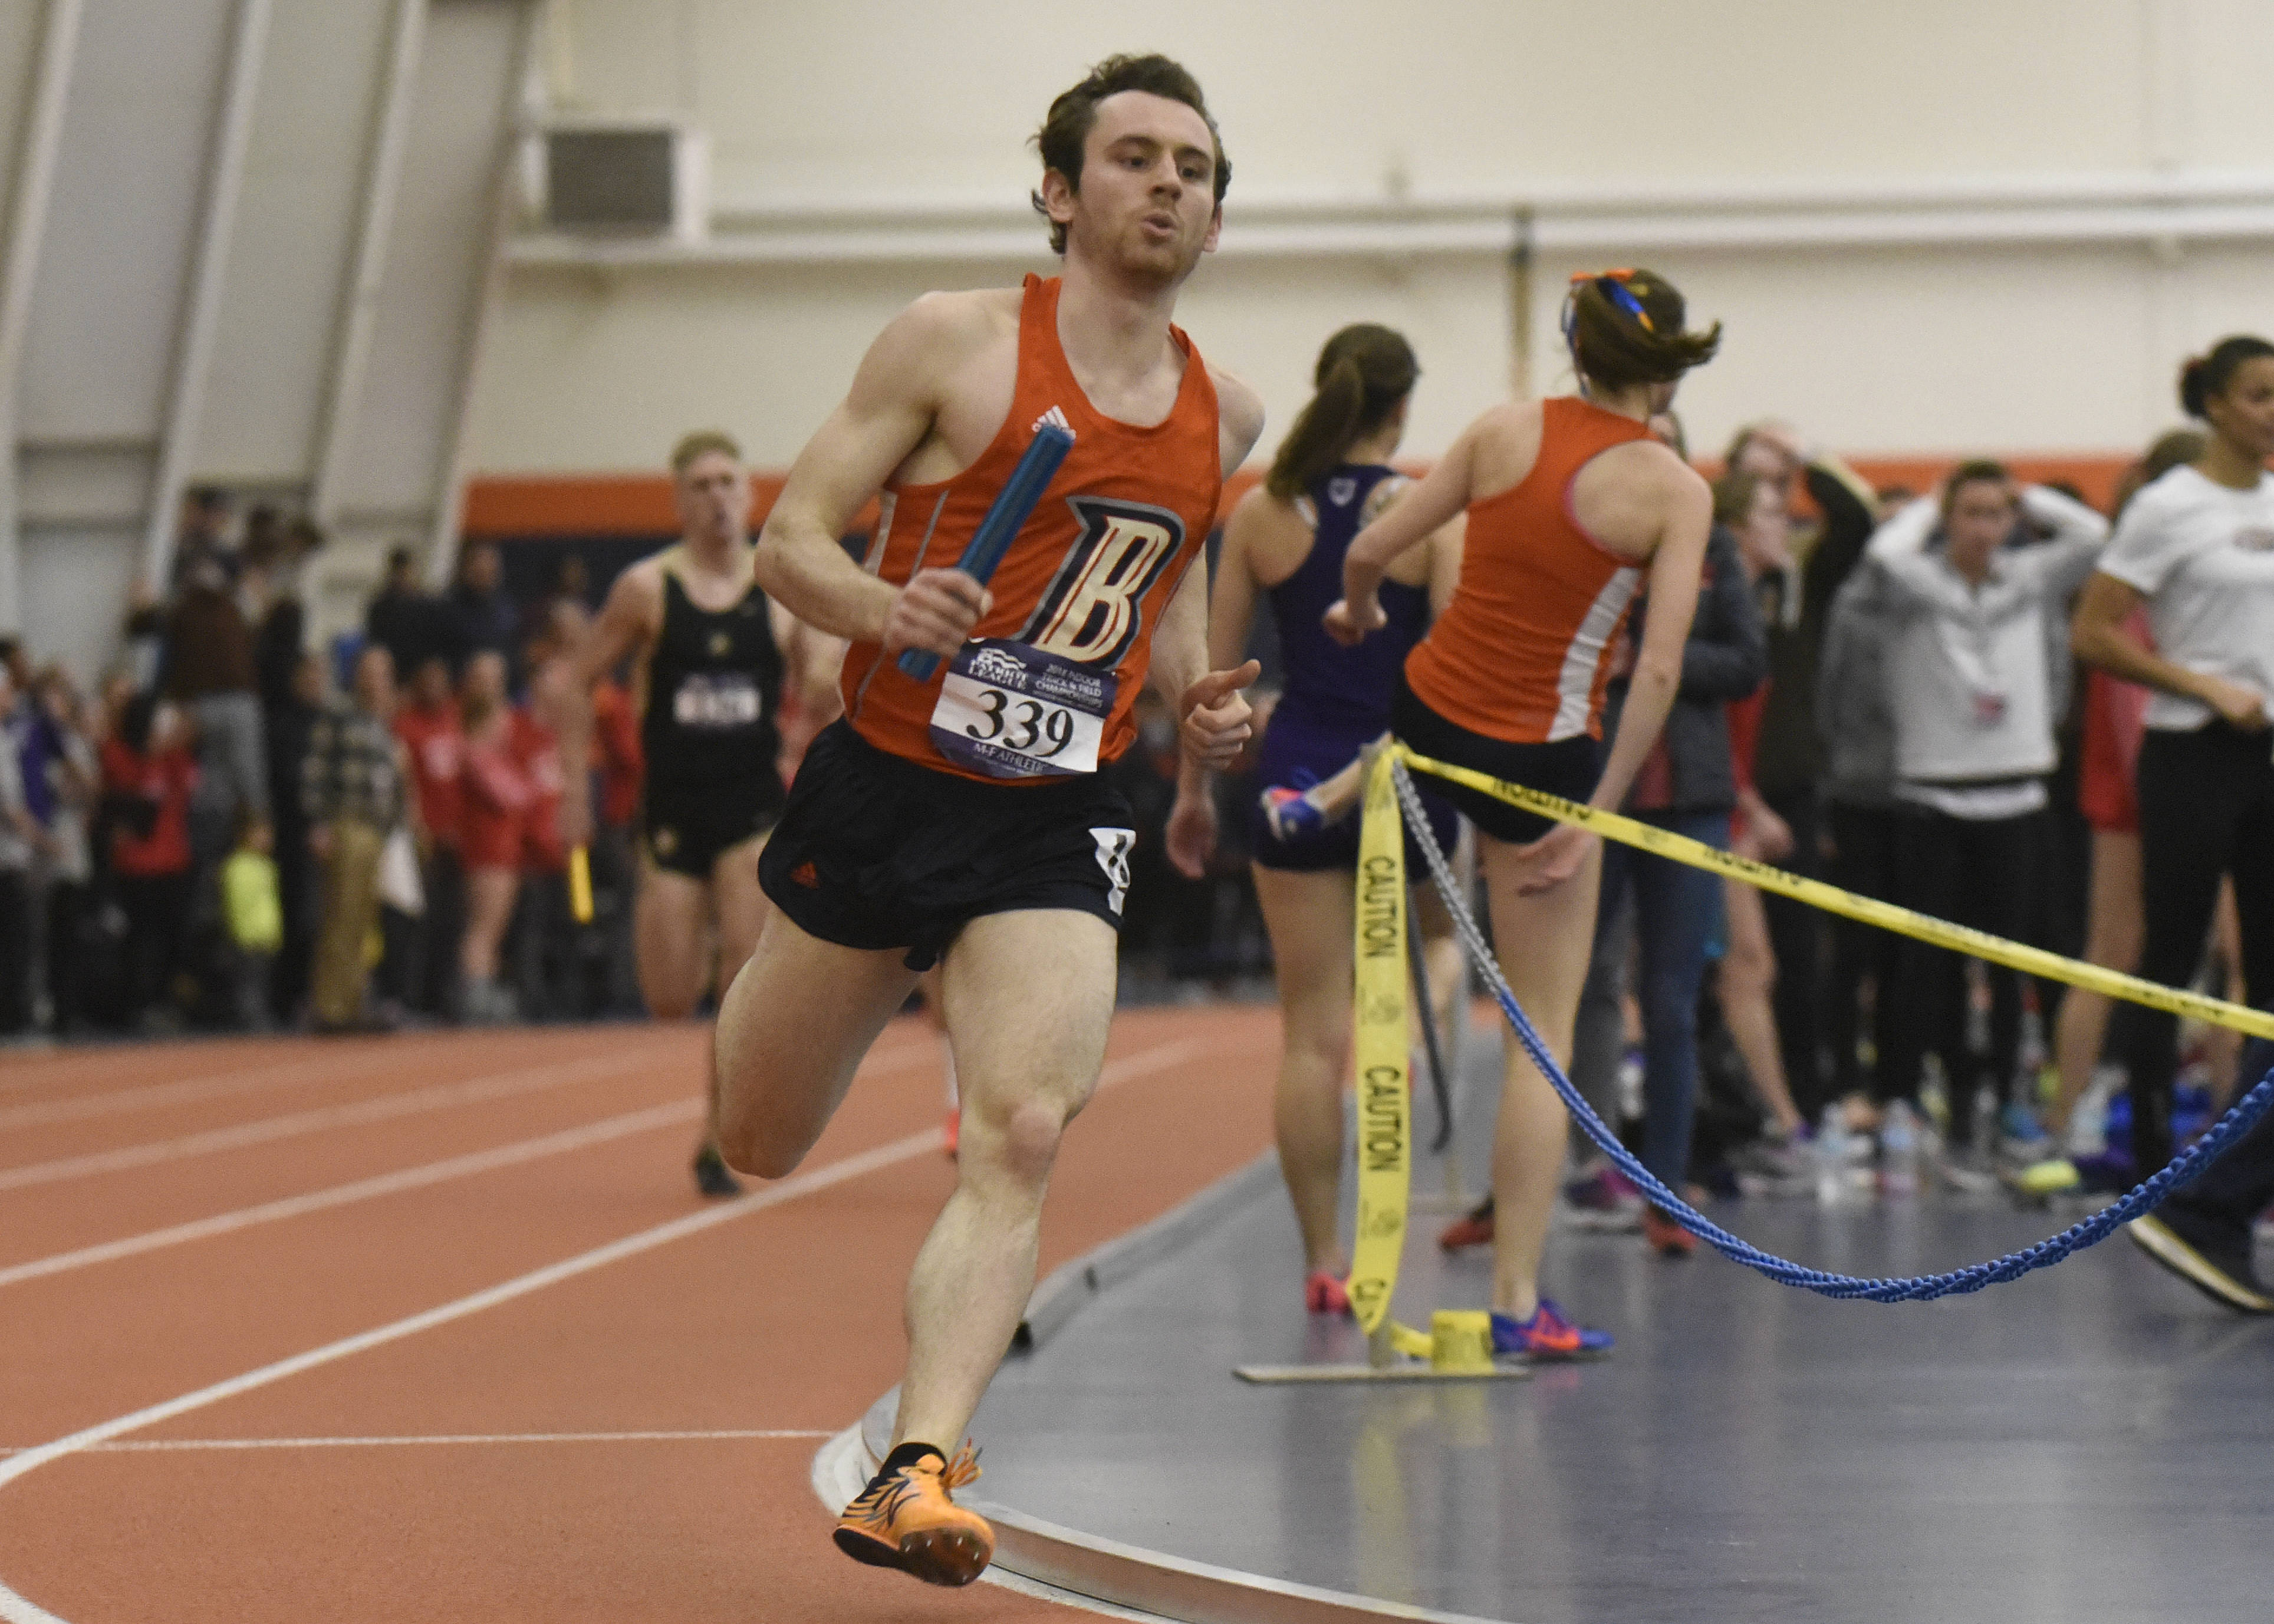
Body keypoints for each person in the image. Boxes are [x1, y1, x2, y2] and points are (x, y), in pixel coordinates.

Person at [710, 55, 1262, 1587]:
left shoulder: (1229, 406)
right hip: (887, 775)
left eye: (1196, 168)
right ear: (1060, 190)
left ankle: (922, 1462)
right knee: (756, 1135)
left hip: (1056, 805)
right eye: (1136, 157)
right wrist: (893, 603)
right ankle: (791, 1001)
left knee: (1023, 1123)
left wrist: (1198, 709)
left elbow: (1167, 603)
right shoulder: (956, 341)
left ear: (1217, 214)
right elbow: (787, 541)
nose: (1167, 183)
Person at [1313, 266, 1720, 1356]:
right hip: (1539, 756)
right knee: (1538, 1033)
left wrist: (1355, 614)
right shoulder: (1673, 489)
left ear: (1572, 347)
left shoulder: (1500, 430)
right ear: (1671, 362)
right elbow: (1660, 670)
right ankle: (1511, 1300)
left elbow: (1366, 552)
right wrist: (1596, 813)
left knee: (1428, 964)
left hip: (1427, 715)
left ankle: (1347, 788)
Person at [1167, 323, 1464, 1312]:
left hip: (1294, 773)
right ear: (1400, 406)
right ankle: (1420, 1054)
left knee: (1308, 1038)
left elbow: (1211, 686)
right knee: (1438, 947)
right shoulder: (1425, 513)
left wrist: (1190, 795)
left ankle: (1322, 1258)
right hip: (1404, 768)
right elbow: (1455, 671)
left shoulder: (1261, 512)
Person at [556, 430, 838, 1195]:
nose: (718, 497)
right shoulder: (647, 589)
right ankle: (714, 1098)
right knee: (669, 994)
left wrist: (809, 727)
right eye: (702, 485)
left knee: (740, 975)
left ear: (748, 495)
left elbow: (824, 684)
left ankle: (718, 1137)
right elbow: (574, 683)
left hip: (751, 805)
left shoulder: (778, 584)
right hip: (672, 809)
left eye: (728, 482)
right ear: (680, 501)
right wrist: (573, 790)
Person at [1845, 469, 2108, 1159]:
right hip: (1931, 794)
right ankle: (1908, 1095)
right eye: (1970, 513)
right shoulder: (1913, 583)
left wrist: (2032, 500)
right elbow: (1883, 554)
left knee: (2009, 960)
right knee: (1923, 961)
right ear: (1947, 518)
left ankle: (2003, 1097)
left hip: (2016, 792)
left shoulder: (2029, 578)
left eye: (1997, 514)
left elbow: (2095, 535)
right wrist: (1928, 505)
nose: (1984, 528)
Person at [2074, 336, 2274, 1178]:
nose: (2272, 412)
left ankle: (2244, 1170)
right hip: (2191, 752)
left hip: (2266, 754)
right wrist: (2198, 683)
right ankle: (2152, 1152)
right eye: (2260, 395)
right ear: (2217, 406)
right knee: (2172, 954)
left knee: (2267, 970)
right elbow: (2092, 631)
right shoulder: (2170, 505)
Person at [303, 644, 409, 1033]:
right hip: (347, 822)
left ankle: (352, 1001)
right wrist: (320, 823)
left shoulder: (382, 721)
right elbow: (316, 768)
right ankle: (330, 1005)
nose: (375, 680)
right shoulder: (340, 715)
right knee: (341, 915)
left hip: (376, 829)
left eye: (382, 673)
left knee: (364, 920)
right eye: (369, 671)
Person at [101, 693, 198, 1031]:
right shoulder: (122, 756)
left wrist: (174, 743)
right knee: (139, 941)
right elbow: (122, 785)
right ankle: (135, 1006)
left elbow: (189, 781)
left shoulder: (176, 760)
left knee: (173, 941)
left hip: (173, 862)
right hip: (137, 865)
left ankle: (164, 1001)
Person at [456, 650, 528, 1023]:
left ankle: (482, 993)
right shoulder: (470, 736)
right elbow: (511, 793)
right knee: (484, 927)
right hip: (488, 846)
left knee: (490, 929)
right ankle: (474, 999)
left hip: (502, 845)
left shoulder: (504, 726)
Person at [394, 654, 468, 1019]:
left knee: (452, 922)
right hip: (425, 838)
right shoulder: (406, 726)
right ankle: (414, 997)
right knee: (420, 922)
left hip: (460, 839)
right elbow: (407, 785)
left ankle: (446, 998)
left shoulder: (457, 719)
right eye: (429, 681)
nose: (436, 689)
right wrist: (419, 827)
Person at [220, 809, 282, 1030]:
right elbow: (236, 905)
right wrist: (242, 934)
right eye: (260, 833)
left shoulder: (267, 866)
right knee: (248, 984)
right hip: (248, 938)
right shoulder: (237, 866)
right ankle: (248, 1019)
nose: (265, 838)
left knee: (262, 982)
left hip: (266, 935)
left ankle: (258, 1015)